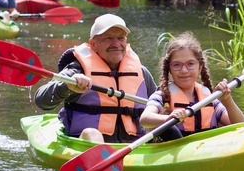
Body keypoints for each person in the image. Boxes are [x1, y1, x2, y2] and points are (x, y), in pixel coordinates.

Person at [34, 14, 157, 143]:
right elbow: (41, 100)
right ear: (93, 44)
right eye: (108, 38)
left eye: (121, 38)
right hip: (86, 144)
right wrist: (67, 87)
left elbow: (160, 104)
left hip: (136, 145)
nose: (116, 44)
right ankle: (102, 156)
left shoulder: (141, 72)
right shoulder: (77, 70)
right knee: (92, 134)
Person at [140, 32, 244, 141]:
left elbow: (242, 126)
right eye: (177, 65)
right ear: (169, 70)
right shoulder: (161, 96)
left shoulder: (210, 98)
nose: (184, 70)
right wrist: (168, 118)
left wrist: (227, 101)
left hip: (207, 149)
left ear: (199, 67)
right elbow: (144, 119)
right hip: (174, 151)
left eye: (190, 64)